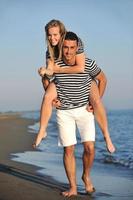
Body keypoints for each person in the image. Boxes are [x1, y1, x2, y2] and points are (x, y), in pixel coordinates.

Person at [33, 19, 115, 154]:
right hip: (63, 97)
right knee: (47, 96)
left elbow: (80, 67)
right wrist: (44, 72)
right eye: (49, 35)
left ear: (62, 34)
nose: (52, 38)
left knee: (96, 101)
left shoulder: (77, 42)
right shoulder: (50, 51)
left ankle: (107, 136)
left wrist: (57, 70)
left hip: (85, 77)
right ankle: (42, 131)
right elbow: (49, 71)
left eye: (55, 35)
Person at [48, 31, 106, 197]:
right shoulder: (56, 63)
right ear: (61, 47)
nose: (68, 51)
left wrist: (94, 102)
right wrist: (52, 98)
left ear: (77, 47)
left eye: (72, 47)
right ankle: (72, 187)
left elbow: (103, 79)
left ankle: (86, 176)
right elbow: (46, 79)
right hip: (64, 111)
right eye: (65, 47)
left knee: (90, 148)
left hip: (84, 110)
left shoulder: (87, 64)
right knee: (69, 150)